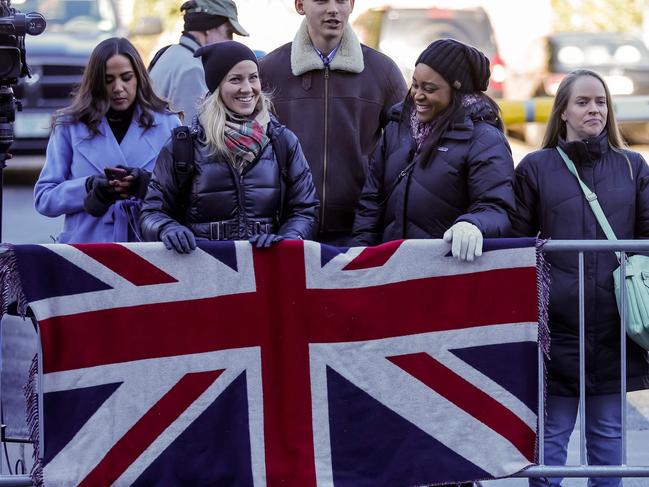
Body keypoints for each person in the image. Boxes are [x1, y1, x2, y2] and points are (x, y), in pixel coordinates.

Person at [512, 69, 649, 487]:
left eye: (601, 102)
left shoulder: (632, 166)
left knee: (608, 437)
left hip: (615, 325)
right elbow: (517, 239)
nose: (594, 109)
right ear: (564, 112)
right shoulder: (536, 168)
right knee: (550, 440)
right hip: (556, 329)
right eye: (583, 102)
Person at [140, 41, 319, 253]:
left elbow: (305, 210)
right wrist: (167, 228)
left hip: (265, 270)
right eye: (235, 79)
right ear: (217, 87)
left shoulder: (282, 141)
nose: (247, 88)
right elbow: (151, 212)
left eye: (253, 77)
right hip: (202, 273)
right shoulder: (184, 145)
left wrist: (287, 239)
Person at [352, 39, 516, 263]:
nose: (418, 95)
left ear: (457, 91)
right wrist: (361, 258)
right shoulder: (396, 129)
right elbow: (371, 201)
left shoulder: (485, 140)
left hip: (447, 275)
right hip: (390, 272)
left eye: (430, 89)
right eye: (415, 85)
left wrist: (473, 223)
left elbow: (496, 207)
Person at [258, 0, 407, 245]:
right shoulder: (269, 71)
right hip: (287, 228)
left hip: (361, 229)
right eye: (321, 1)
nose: (333, 9)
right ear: (299, 5)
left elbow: (405, 150)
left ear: (352, 5)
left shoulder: (383, 71)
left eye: (341, 1)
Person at [34, 37, 180, 243]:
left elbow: (187, 196)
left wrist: (147, 185)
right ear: (95, 82)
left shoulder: (168, 124)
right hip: (86, 252)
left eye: (126, 77)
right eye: (108, 80)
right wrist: (88, 187)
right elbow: (44, 199)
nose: (118, 88)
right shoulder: (70, 126)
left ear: (139, 77)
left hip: (148, 252)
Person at [148, 0, 249, 124]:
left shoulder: (170, 53)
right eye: (228, 33)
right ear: (208, 28)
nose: (230, 41)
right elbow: (193, 133)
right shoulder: (192, 69)